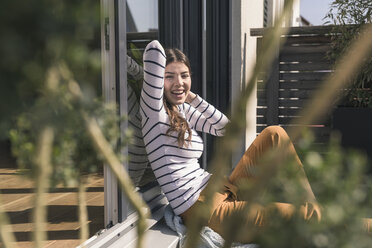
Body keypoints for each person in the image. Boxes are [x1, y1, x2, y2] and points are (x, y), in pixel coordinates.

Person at [140, 40, 321, 243]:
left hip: (218, 189)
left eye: (184, 75)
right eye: (169, 76)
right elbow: (154, 50)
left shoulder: (180, 110)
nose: (179, 82)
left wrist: (191, 97)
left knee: (274, 134)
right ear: (156, 81)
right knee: (301, 217)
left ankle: (314, 206)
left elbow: (225, 128)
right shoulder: (153, 112)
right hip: (205, 211)